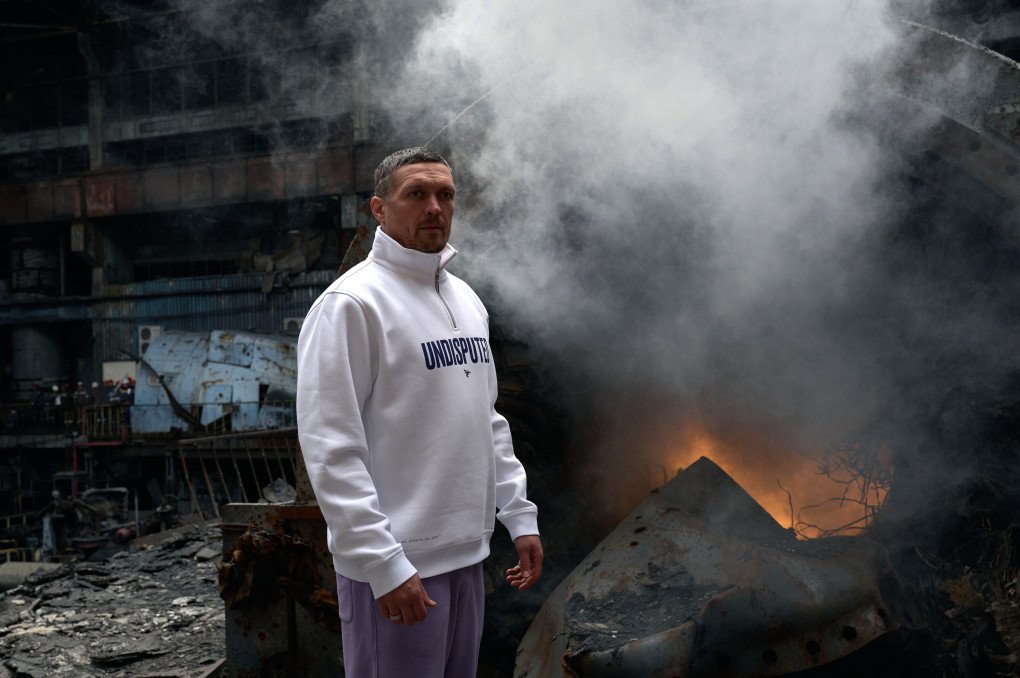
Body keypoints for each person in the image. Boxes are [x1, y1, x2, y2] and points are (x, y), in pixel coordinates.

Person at [296, 146, 543, 677]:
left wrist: (517, 515)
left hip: (466, 557)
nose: (434, 206)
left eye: (445, 194)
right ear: (379, 209)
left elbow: (487, 420)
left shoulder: (465, 300)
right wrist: (383, 564)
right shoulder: (352, 306)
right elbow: (331, 449)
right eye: (417, 194)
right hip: (397, 565)